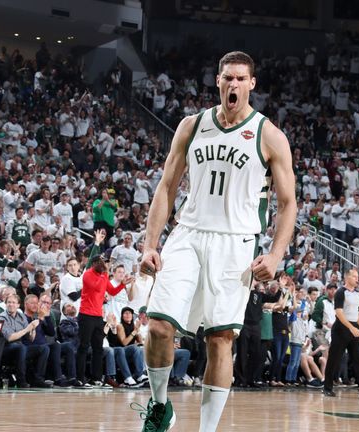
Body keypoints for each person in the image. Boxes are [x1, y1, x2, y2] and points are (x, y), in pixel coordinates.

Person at [137, 51, 296, 432]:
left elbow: (288, 204)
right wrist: (150, 243)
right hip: (188, 233)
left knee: (220, 338)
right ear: (218, 81)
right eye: (228, 78)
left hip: (235, 243)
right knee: (158, 326)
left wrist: (275, 254)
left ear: (252, 84)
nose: (234, 84)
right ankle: (160, 407)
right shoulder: (192, 125)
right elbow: (167, 187)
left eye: (241, 78)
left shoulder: (269, 134)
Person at [76, 229, 133, 387]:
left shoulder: (103, 276)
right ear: (95, 264)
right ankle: (80, 378)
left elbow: (112, 291)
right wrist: (105, 273)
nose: (105, 264)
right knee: (83, 346)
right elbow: (94, 287)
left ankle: (96, 377)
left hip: (97, 317)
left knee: (98, 348)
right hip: (86, 315)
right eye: (101, 262)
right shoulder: (88, 274)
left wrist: (122, 284)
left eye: (105, 262)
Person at [322, 268, 359, 398]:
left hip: (354, 327)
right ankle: (327, 387)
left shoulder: (358, 294)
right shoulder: (340, 292)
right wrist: (350, 327)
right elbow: (339, 312)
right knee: (334, 359)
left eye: (357, 277)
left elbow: (358, 314)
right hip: (341, 327)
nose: (357, 279)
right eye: (354, 276)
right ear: (347, 278)